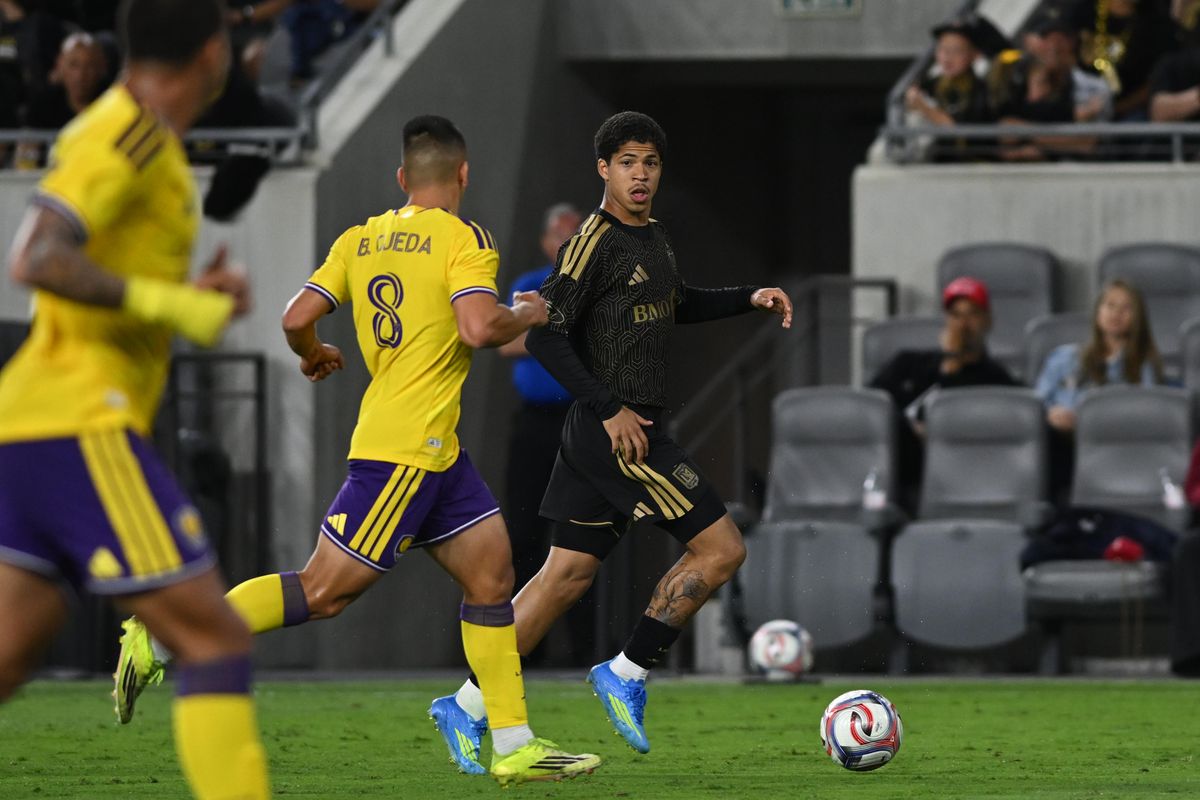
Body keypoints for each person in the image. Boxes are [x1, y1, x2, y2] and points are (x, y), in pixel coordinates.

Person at [114, 114, 601, 786]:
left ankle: (513, 743)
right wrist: (531, 311)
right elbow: (480, 326)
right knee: (323, 592)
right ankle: (165, 634)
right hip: (406, 452)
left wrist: (313, 354)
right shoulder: (464, 237)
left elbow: (294, 318)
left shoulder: (360, 238)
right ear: (463, 174)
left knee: (491, 575)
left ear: (403, 178)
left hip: (434, 452)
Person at [429, 111, 794, 766]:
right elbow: (542, 334)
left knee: (561, 576)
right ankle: (628, 670)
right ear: (603, 169)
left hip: (612, 428)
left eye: (650, 162)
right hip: (623, 435)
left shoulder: (651, 236)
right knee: (722, 550)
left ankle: (468, 704)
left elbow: (675, 302)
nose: (640, 174)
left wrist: (749, 297)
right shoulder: (592, 240)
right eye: (627, 162)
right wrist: (608, 409)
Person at [0, 2, 271, 799]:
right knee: (214, 635)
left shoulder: (129, 133)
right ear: (215, 53)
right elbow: (37, 256)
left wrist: (184, 291)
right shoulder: (134, 133)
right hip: (79, 420)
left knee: (14, 648)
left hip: (34, 424)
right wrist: (177, 307)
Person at [499, 202, 587, 664]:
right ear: (544, 241)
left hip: (583, 422)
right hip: (535, 423)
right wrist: (556, 331)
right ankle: (526, 649)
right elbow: (504, 340)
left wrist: (543, 331)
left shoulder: (596, 284)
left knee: (581, 535)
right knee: (525, 530)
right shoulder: (527, 286)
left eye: (575, 233)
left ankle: (582, 652)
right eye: (559, 233)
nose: (565, 242)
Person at [869, 277, 1018, 512]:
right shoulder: (908, 363)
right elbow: (871, 406)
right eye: (955, 315)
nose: (963, 324)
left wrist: (952, 365)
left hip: (951, 472)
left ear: (987, 321)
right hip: (895, 464)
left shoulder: (997, 382)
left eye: (972, 315)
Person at [1034, 278, 1163, 498]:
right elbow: (1035, 406)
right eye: (1110, 305)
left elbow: (1146, 420)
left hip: (1114, 453)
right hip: (1062, 447)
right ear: (1097, 312)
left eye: (1126, 308)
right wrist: (1050, 416)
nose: (1116, 313)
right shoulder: (1064, 358)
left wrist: (1087, 422)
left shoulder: (1143, 366)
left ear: (1137, 318)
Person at [17, 32, 110, 169]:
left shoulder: (111, 102)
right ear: (60, 66)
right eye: (74, 65)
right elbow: (24, 162)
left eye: (89, 66)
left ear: (101, 68)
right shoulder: (42, 105)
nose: (81, 75)